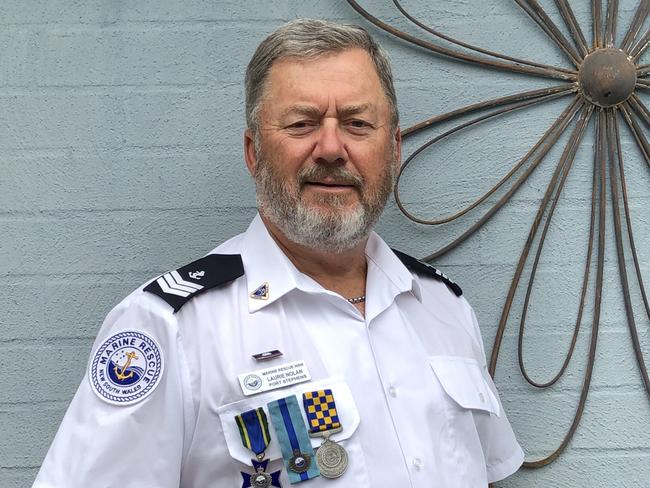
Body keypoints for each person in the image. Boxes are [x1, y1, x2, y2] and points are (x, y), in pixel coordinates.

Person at [33, 18, 524, 488]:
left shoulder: (443, 307)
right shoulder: (170, 329)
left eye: (357, 123)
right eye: (301, 123)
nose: (331, 149)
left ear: (393, 150)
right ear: (253, 152)